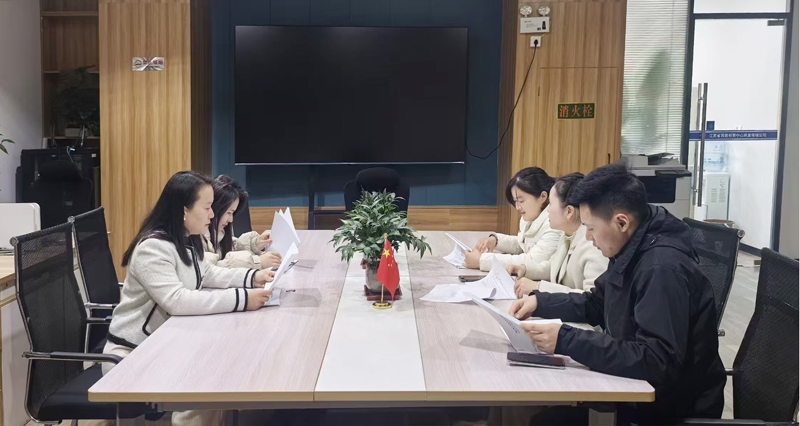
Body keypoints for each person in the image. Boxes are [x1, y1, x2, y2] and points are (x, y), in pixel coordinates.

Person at [509, 163, 725, 424]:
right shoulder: (632, 244)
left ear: (621, 222)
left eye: (590, 228)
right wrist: (540, 302)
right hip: (637, 392)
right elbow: (597, 303)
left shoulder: (661, 269)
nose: (588, 237)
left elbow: (656, 360)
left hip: (666, 410)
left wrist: (566, 340)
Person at [103, 171, 275, 425]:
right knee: (207, 383)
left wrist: (253, 277)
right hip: (133, 355)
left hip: (167, 343)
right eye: (207, 207)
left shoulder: (184, 239)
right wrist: (243, 299)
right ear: (184, 210)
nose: (212, 215)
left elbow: (207, 274)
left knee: (221, 370)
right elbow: (177, 300)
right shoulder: (152, 248)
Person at [506, 173, 608, 298]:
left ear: (569, 211)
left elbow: (593, 299)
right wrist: (525, 269)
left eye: (550, 203)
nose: (547, 209)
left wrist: (539, 287)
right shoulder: (567, 235)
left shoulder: (593, 245)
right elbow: (555, 267)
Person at [463, 167, 562, 279]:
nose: (517, 207)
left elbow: (532, 260)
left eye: (521, 201)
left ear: (543, 197)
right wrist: (496, 240)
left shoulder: (555, 223)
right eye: (515, 201)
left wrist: (482, 260)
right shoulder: (531, 216)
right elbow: (523, 244)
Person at [203, 175, 281, 269]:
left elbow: (232, 248)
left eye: (233, 213)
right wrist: (257, 262)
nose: (231, 219)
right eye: (229, 212)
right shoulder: (197, 236)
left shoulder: (219, 233)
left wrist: (254, 244)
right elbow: (211, 269)